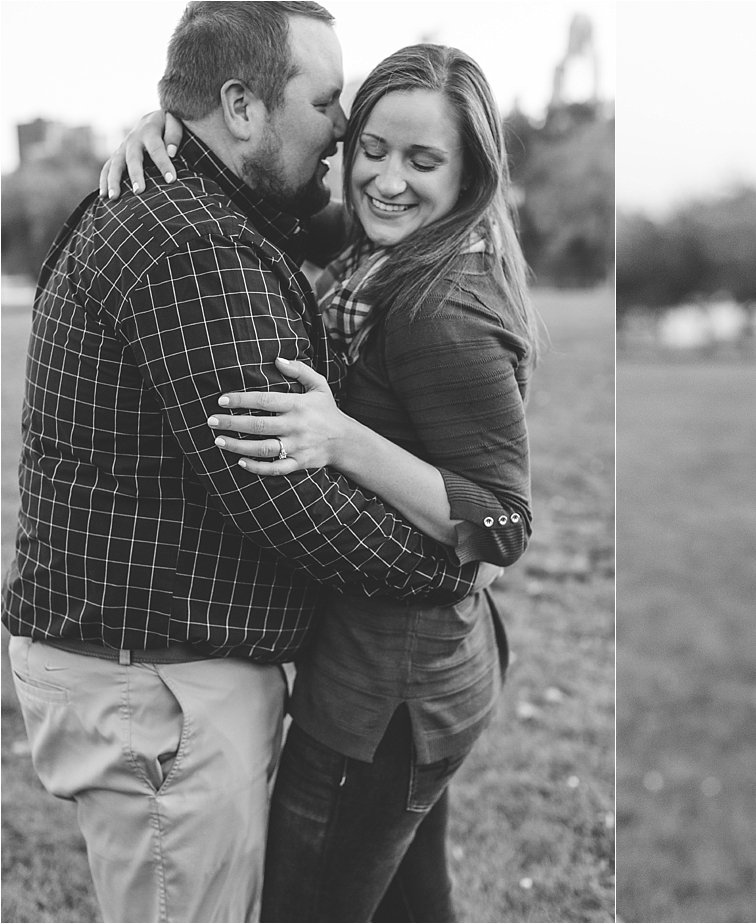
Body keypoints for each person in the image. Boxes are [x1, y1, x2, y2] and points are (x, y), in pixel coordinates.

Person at [2, 4, 486, 921]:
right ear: (243, 107)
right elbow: (284, 496)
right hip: (157, 689)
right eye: (327, 99)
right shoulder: (195, 247)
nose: (343, 127)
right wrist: (449, 559)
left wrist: (170, 128)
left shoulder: (217, 210)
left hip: (158, 675)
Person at [106, 42, 539, 921]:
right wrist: (164, 132)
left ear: (469, 173)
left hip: (387, 697)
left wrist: (344, 441)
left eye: (423, 161)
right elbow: (252, 182)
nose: (387, 180)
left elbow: (502, 529)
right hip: (412, 676)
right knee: (413, 908)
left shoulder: (439, 309)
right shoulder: (378, 256)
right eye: (373, 148)